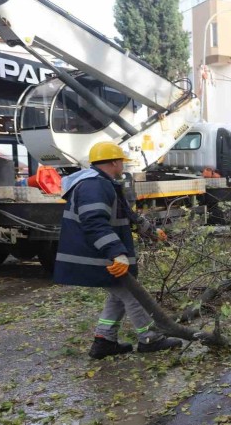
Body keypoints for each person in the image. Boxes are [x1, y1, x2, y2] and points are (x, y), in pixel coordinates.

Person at [53, 142, 182, 359]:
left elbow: (125, 214)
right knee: (133, 295)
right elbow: (95, 223)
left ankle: (104, 341)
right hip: (100, 257)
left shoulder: (102, 183)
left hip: (100, 256)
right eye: (121, 161)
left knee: (117, 296)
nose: (123, 165)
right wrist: (117, 253)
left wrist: (151, 231)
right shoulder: (94, 186)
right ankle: (150, 339)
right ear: (114, 161)